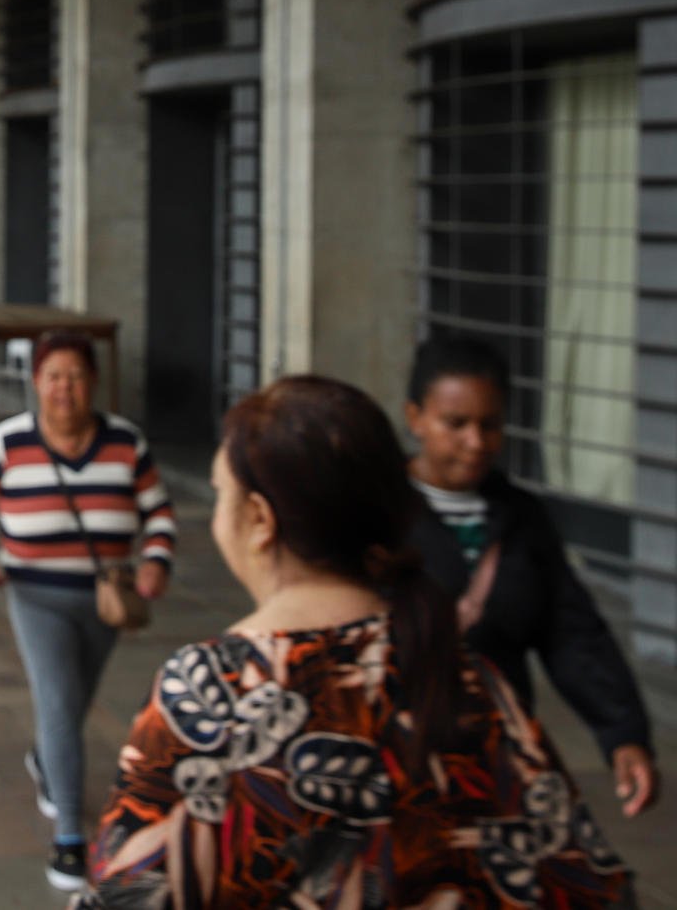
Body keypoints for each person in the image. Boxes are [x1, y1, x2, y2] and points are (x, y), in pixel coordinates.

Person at [84, 376, 635, 906]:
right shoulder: (471, 678)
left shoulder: (210, 693)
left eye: (222, 494)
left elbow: (125, 893)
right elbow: (590, 883)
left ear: (258, 519)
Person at [0, 329, 173, 890]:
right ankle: (70, 836)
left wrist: (155, 563)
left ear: (94, 382)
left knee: (72, 702)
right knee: (58, 698)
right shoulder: (9, 442)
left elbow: (159, 513)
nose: (64, 390)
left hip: (105, 598)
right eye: (53, 378)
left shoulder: (125, 443)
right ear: (35, 384)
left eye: (75, 377)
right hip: (33, 595)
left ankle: (49, 763)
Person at [404, 334, 660, 820]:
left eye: (491, 425)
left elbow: (571, 633)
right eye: (455, 424)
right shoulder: (378, 515)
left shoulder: (522, 518)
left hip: (497, 761)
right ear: (415, 417)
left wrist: (623, 733)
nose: (476, 443)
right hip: (401, 761)